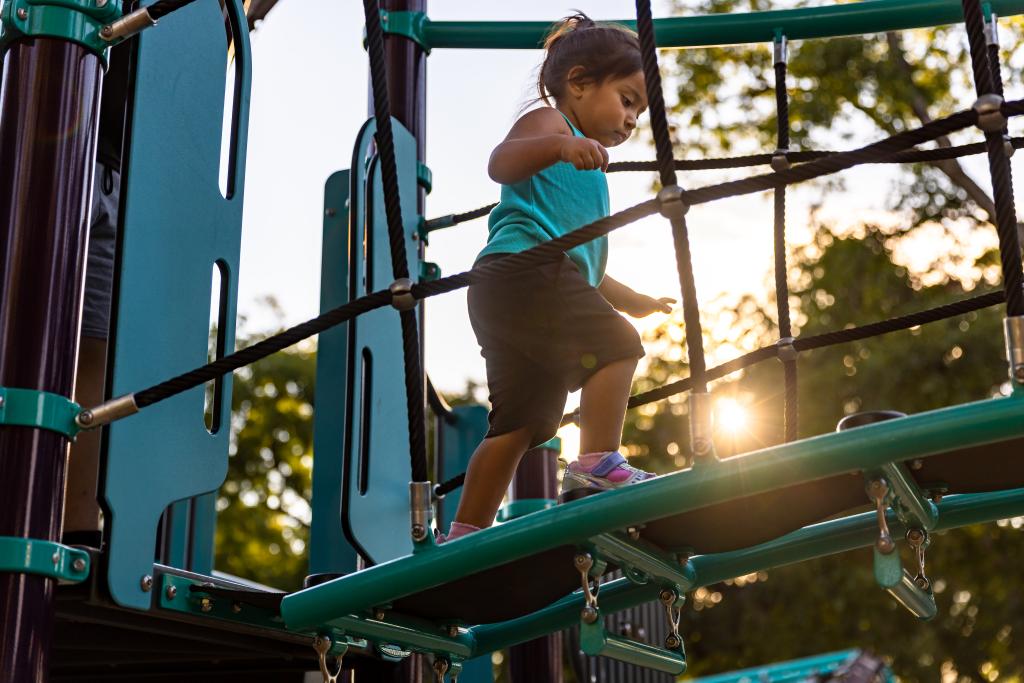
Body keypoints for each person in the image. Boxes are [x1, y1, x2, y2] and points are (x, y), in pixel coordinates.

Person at [444, 13, 675, 543]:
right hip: (520, 272)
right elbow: (499, 164)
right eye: (627, 99)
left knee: (522, 422)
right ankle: (595, 462)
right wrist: (559, 147)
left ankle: (462, 533)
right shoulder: (551, 125)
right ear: (578, 83)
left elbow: (580, 262)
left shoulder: (590, 168)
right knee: (618, 346)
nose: (631, 118)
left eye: (638, 110)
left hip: (520, 286)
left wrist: (630, 296)